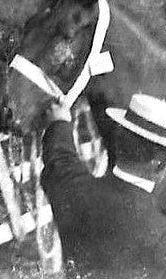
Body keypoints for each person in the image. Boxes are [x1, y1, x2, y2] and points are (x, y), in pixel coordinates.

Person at [40, 93, 166, 276]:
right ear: (159, 164)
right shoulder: (161, 233)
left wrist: (58, 122)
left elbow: (58, 160)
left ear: (118, 140)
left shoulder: (75, 189)